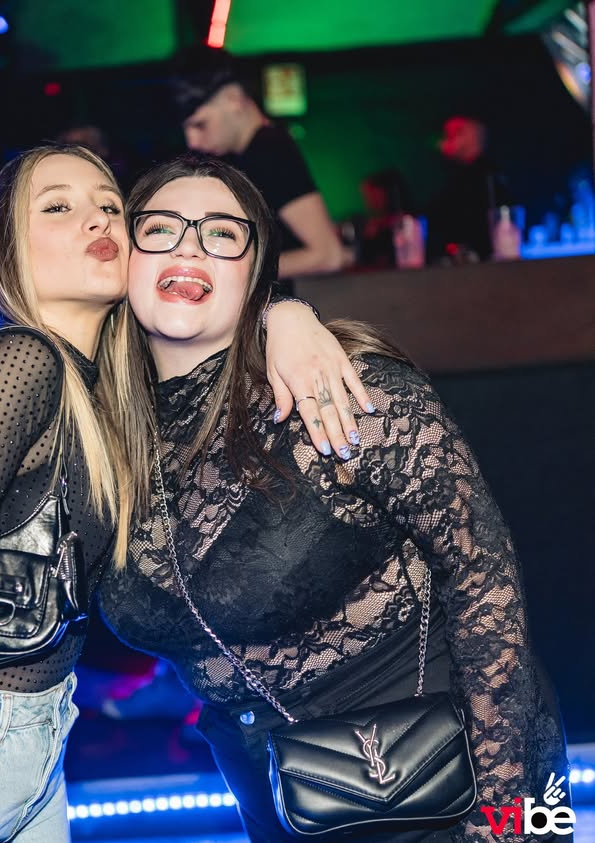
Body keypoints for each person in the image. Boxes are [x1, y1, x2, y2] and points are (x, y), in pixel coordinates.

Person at [0, 144, 369, 843]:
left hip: (28, 747)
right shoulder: (17, 360)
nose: (97, 219)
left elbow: (214, 309)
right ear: (8, 249)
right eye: (58, 207)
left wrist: (283, 313)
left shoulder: (105, 392)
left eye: (109, 206)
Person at [96, 155, 569, 842]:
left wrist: (503, 811)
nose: (190, 246)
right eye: (161, 228)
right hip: (277, 802)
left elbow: (483, 579)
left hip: (453, 771)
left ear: (255, 272)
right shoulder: (100, 436)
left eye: (222, 233)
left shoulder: (343, 388)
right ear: (123, 258)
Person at [172, 47, 347, 282]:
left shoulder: (269, 150)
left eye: (200, 124)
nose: (192, 141)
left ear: (233, 99)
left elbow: (328, 255)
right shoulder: (254, 152)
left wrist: (232, 271)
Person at [426, 114, 513, 263]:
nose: (449, 139)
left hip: (484, 264)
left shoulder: (486, 175)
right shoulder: (453, 174)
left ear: (474, 136)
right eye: (448, 134)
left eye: (457, 132)